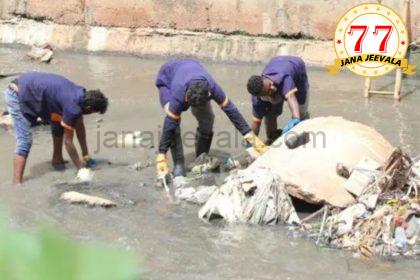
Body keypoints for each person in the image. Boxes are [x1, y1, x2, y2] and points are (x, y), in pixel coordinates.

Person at [155, 59, 267, 179]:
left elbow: (232, 112)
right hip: (167, 80)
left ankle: (201, 158)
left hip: (191, 75)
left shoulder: (212, 87)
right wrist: (162, 154)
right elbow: (169, 123)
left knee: (208, 118)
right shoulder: (178, 93)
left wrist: (253, 140)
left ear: (209, 94)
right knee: (174, 123)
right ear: (187, 96)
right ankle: (179, 166)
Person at [3, 71, 108, 184]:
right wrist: (80, 167)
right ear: (88, 108)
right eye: (92, 112)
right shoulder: (72, 106)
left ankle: (57, 159)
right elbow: (68, 142)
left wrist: (85, 155)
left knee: (58, 122)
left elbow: (80, 127)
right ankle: (16, 183)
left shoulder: (80, 94)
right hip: (17, 94)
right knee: (25, 140)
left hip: (32, 88)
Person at [246, 56, 310, 144]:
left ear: (265, 78)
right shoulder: (257, 99)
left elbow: (290, 97)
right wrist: (251, 142)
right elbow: (256, 122)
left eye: (270, 85)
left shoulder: (284, 78)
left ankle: (304, 134)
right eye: (268, 91)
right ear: (260, 95)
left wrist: (296, 118)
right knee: (270, 113)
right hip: (277, 64)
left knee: (301, 110)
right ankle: (272, 138)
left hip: (296, 68)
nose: (272, 88)